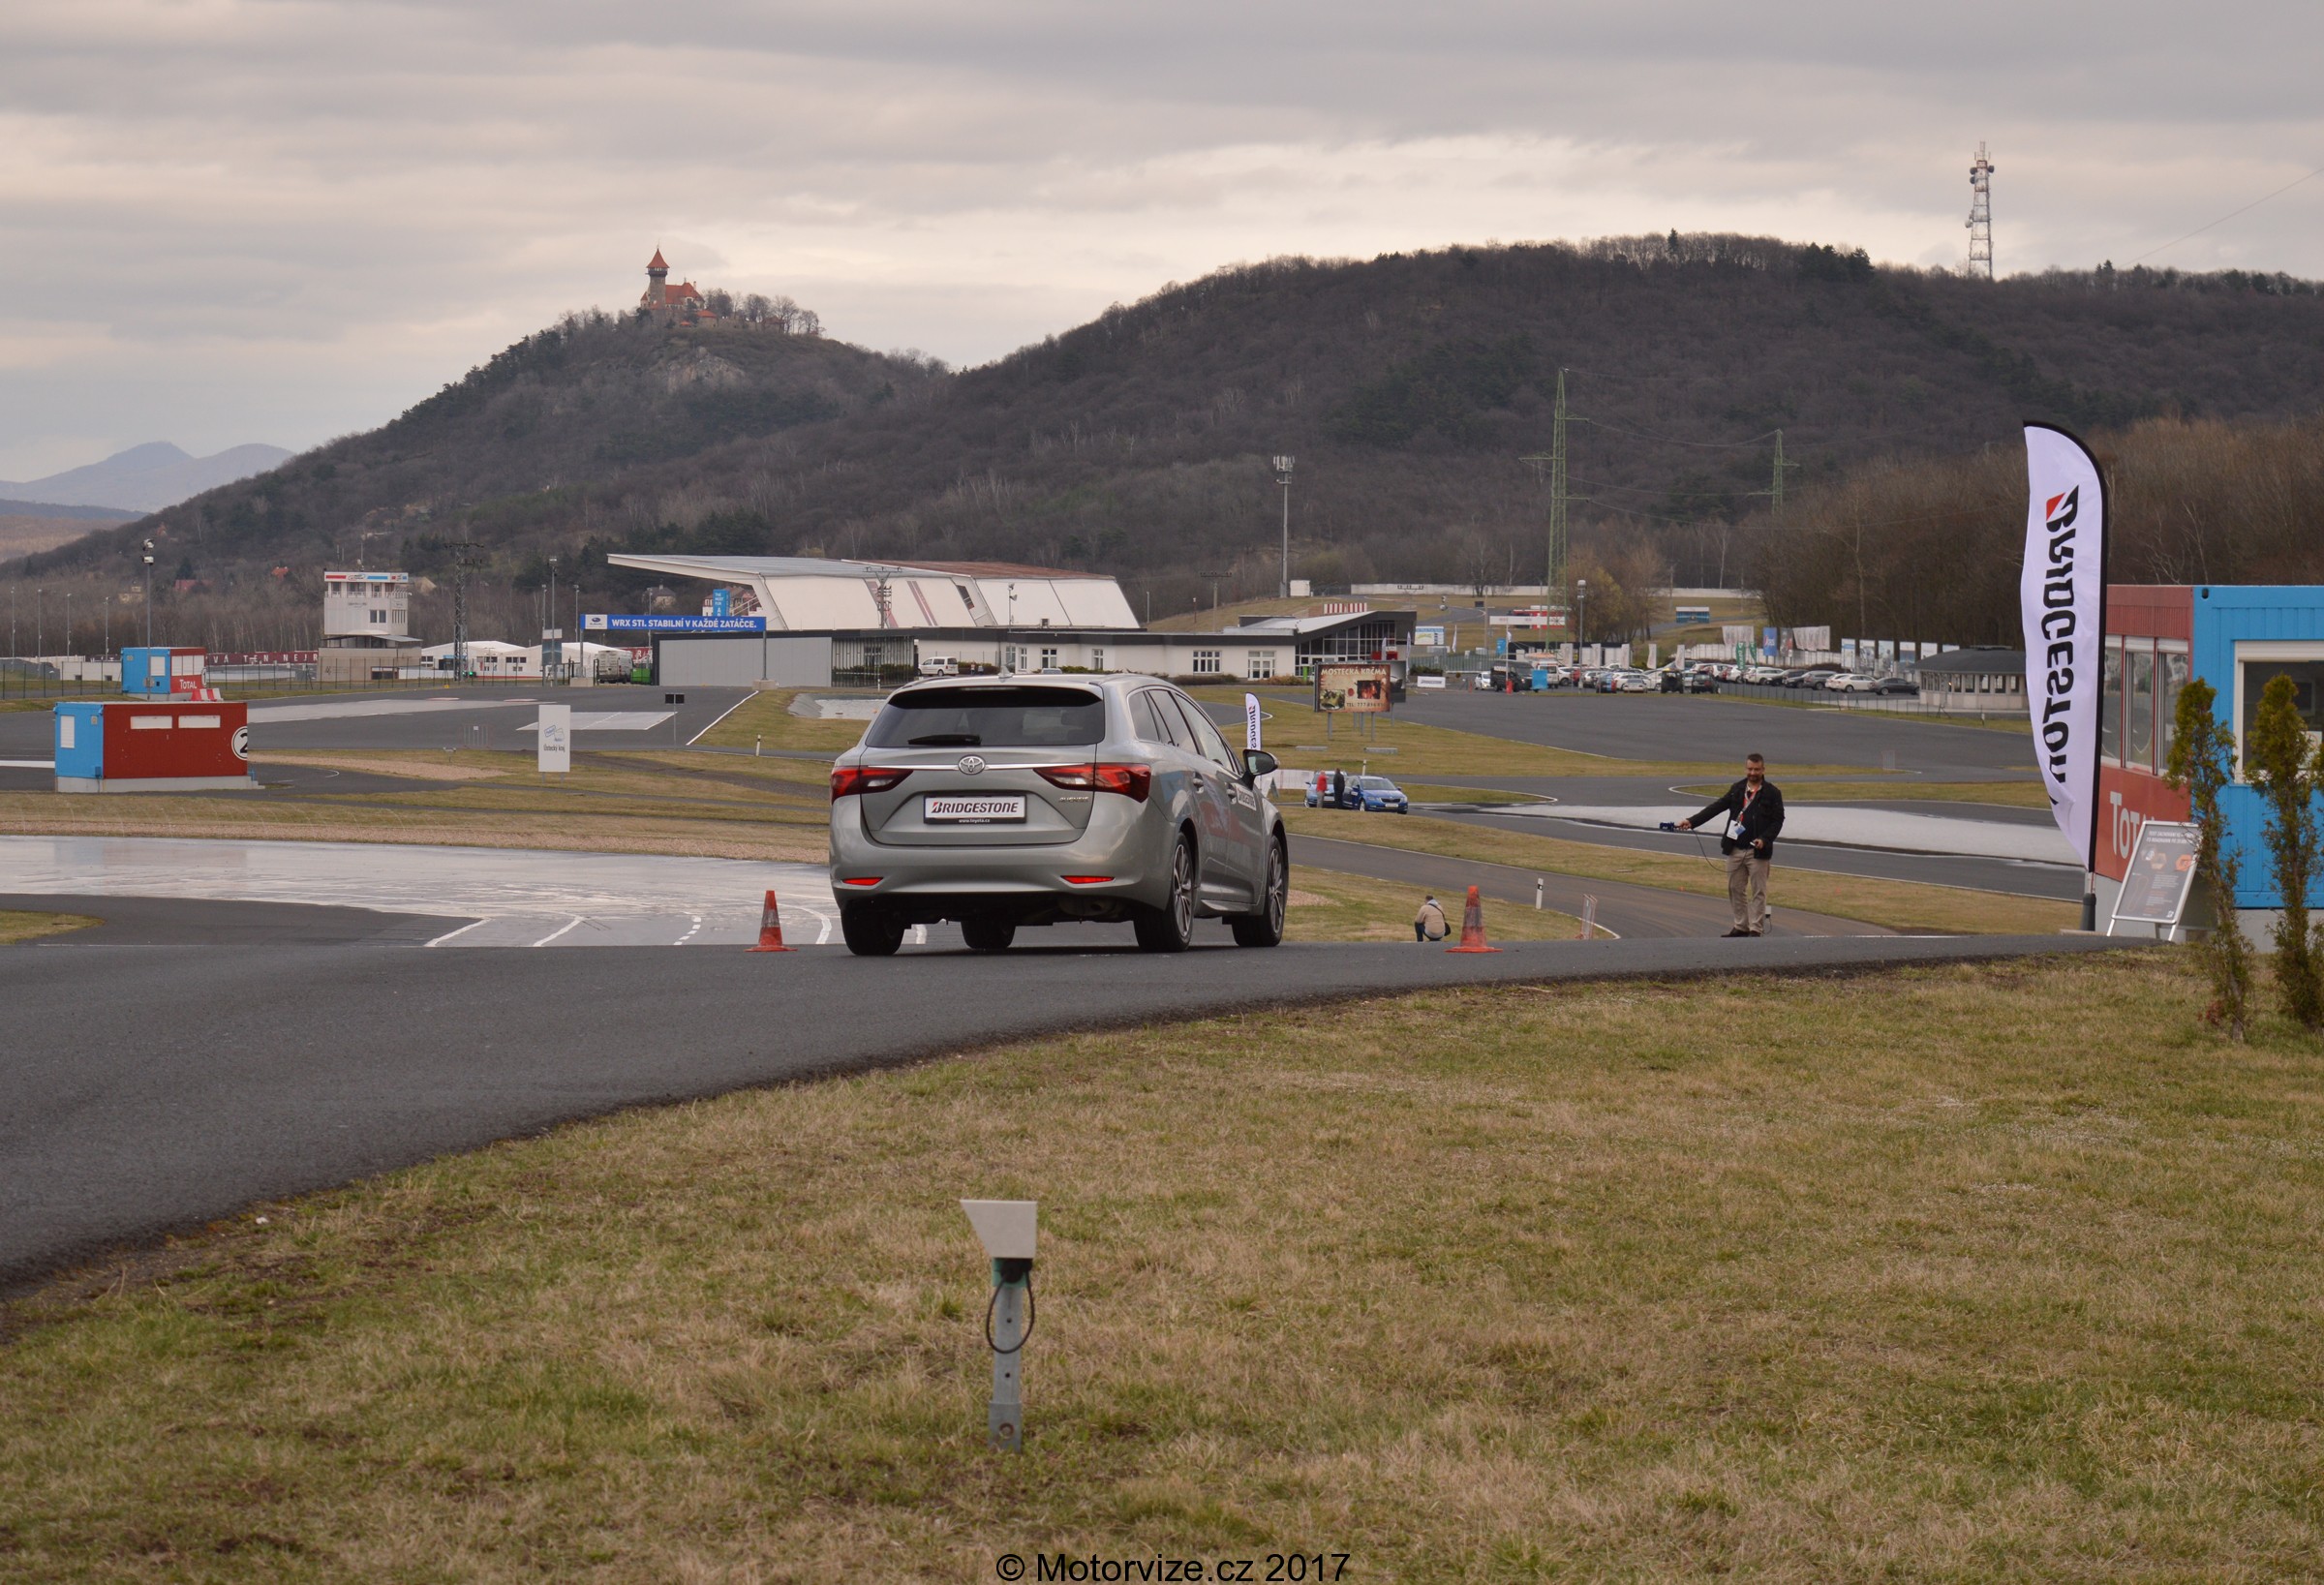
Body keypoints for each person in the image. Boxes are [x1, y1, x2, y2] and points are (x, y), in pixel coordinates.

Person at [1676, 752, 1786, 937]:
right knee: (1735, 888)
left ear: (1763, 770)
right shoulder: (1737, 789)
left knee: (1759, 891)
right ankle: (1741, 926)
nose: (1753, 772)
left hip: (1758, 852)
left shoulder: (1772, 793)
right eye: (1750, 769)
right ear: (1746, 768)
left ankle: (1756, 929)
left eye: (1756, 769)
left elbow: (1778, 821)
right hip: (1735, 848)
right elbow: (1716, 807)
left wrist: (1765, 839)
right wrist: (1691, 821)